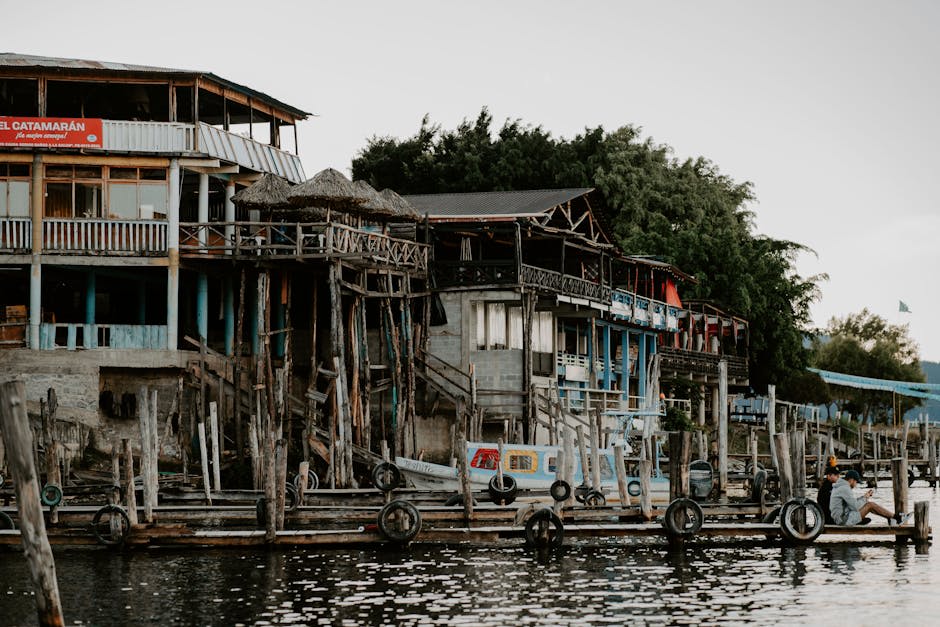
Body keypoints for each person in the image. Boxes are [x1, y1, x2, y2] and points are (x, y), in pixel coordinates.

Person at [829, 469, 911, 526]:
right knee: (870, 505)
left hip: (840, 518)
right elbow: (855, 507)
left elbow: (851, 504)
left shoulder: (841, 486)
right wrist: (865, 498)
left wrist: (863, 497)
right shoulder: (845, 488)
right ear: (851, 480)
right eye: (856, 482)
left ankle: (892, 518)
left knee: (869, 505)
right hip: (843, 520)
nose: (856, 484)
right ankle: (897, 518)